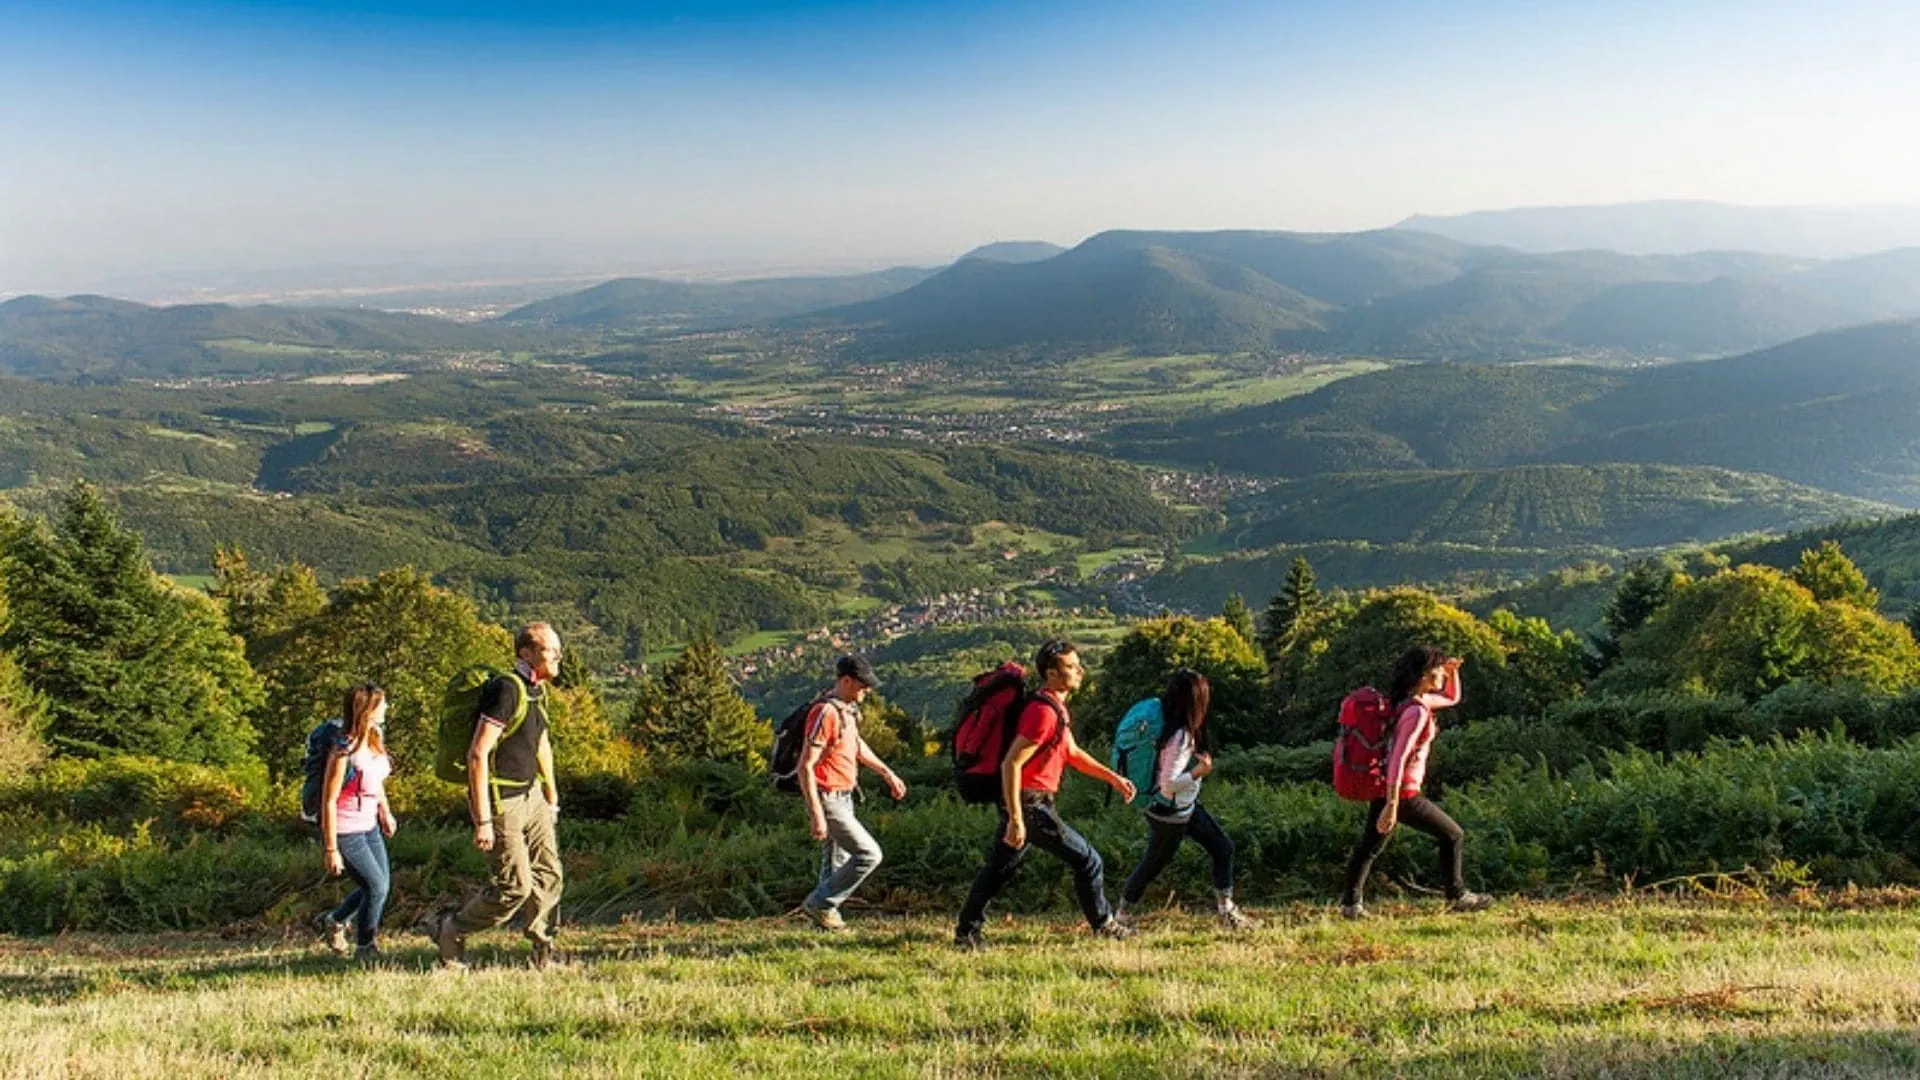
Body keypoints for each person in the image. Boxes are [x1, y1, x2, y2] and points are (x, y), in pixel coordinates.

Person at [955, 639, 1137, 950]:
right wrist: (1016, 818)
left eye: (1078, 664)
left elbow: (1072, 753)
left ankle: (966, 933)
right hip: (1029, 803)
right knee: (1088, 860)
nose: (1079, 670)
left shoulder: (1054, 708)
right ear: (1051, 674)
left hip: (1028, 802)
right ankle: (1104, 924)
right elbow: (1011, 763)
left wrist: (1114, 778)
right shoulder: (1043, 713)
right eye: (1071, 666)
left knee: (999, 869)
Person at [430, 623, 566, 970]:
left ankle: (542, 949)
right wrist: (483, 820)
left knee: (549, 876)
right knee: (514, 888)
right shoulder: (507, 690)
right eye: (551, 650)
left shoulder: (536, 690)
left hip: (531, 795)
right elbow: (478, 753)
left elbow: (540, 742)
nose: (558, 656)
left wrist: (550, 791)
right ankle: (450, 928)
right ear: (527, 653)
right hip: (501, 800)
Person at [1339, 646, 1491, 918]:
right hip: (1403, 791)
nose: (1442, 673)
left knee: (1370, 846)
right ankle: (1457, 896)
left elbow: (1452, 697)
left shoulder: (1411, 703)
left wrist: (1454, 673)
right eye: (1438, 669)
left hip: (1388, 787)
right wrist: (1393, 803)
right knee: (1452, 834)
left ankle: (1350, 905)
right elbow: (1398, 757)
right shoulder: (1417, 713)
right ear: (1423, 674)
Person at [1115, 669, 1255, 932]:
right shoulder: (1180, 736)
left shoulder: (1167, 723)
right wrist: (1197, 773)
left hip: (1180, 808)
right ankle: (1121, 915)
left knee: (1222, 847)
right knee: (1154, 863)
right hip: (1170, 812)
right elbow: (1168, 783)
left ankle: (1227, 910)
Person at [797, 654, 907, 931]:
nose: (867, 691)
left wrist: (887, 773)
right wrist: (817, 814)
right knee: (869, 855)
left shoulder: (846, 711)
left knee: (836, 865)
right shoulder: (826, 713)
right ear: (846, 681)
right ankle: (819, 904)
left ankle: (824, 926)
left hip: (844, 796)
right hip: (828, 797)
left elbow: (856, 746)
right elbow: (805, 766)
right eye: (862, 685)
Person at [314, 682, 397, 963]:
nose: (387, 708)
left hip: (369, 824)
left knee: (379, 886)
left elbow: (375, 779)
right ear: (368, 709)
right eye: (382, 704)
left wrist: (385, 811)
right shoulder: (343, 749)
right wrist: (331, 848)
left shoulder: (375, 736)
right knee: (377, 888)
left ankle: (335, 921)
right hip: (347, 830)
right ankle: (366, 947)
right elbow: (328, 799)